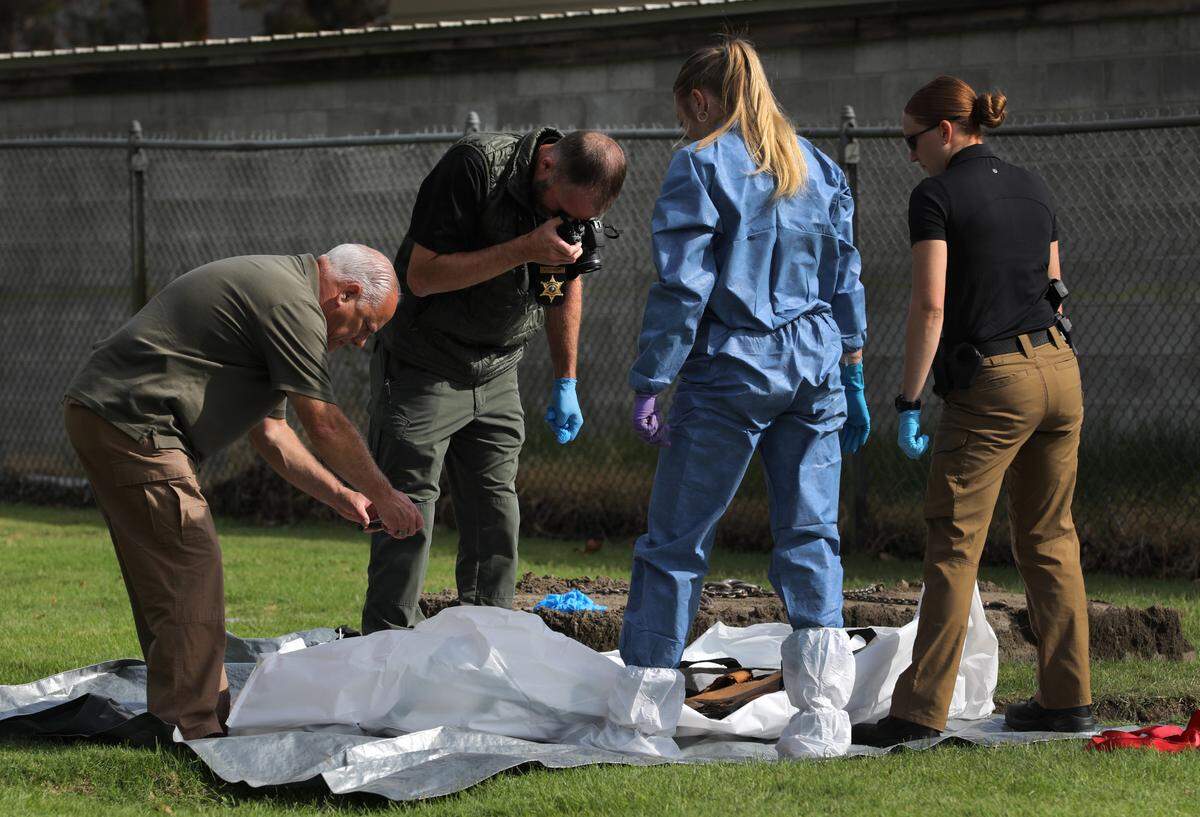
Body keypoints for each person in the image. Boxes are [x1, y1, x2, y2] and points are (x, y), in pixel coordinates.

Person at [64, 245, 421, 740]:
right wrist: (384, 493)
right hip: (133, 422)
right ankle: (194, 727)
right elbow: (323, 422)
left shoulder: (282, 299)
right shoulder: (292, 305)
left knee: (173, 576)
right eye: (366, 326)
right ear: (347, 293)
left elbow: (272, 435)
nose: (361, 342)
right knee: (191, 563)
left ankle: (189, 713)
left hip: (113, 417)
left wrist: (343, 496)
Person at [853, 76, 1093, 747]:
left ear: (947, 132)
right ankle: (1067, 700)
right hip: (1059, 369)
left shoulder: (935, 195)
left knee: (955, 544)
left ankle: (920, 710)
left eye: (913, 140)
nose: (910, 155)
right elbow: (1056, 288)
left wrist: (907, 397)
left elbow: (930, 303)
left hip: (992, 382)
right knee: (1051, 538)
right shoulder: (1035, 187)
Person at [618, 38, 869, 680]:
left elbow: (683, 287)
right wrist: (855, 370)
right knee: (811, 534)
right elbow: (845, 278)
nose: (686, 127)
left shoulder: (700, 164)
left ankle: (643, 709)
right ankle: (822, 711)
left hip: (732, 368)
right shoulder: (815, 165)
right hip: (817, 368)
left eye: (685, 114)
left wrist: (652, 380)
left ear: (699, 100)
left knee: (676, 542)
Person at [362, 128, 627, 632]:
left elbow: (562, 286)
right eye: (564, 211)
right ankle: (387, 651)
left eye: (579, 220)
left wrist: (564, 379)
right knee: (407, 510)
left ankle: (488, 643)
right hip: (426, 362)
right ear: (546, 163)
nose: (566, 224)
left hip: (499, 368)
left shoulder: (566, 204)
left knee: (495, 513)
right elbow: (422, 275)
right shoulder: (474, 167)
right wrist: (526, 247)